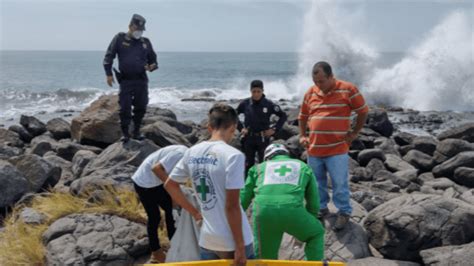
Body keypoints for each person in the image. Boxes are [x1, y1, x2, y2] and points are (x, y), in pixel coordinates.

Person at [165, 103, 254, 266]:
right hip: (232, 241)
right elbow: (232, 206)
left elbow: (170, 184)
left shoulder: (191, 152)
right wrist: (240, 246)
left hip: (207, 239)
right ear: (233, 128)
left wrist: (195, 213)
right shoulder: (234, 156)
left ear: (209, 127)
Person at [299, 61, 369, 231]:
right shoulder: (311, 92)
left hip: (337, 148)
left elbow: (363, 111)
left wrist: (354, 133)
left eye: (321, 81)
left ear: (331, 76)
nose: (318, 85)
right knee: (316, 184)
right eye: (315, 81)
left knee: (339, 183)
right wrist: (302, 135)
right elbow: (302, 116)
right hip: (314, 149)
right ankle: (320, 209)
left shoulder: (348, 89)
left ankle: (344, 212)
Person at [240, 143, 325, 260]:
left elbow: (243, 199)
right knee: (315, 233)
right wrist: (308, 222)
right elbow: (314, 201)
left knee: (265, 258)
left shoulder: (258, 168)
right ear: (287, 154)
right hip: (293, 212)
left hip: (264, 213)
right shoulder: (303, 166)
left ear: (267, 157)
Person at [103, 14, 158, 142]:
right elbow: (109, 56)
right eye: (136, 28)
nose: (139, 32)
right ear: (130, 26)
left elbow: (154, 61)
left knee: (141, 106)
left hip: (141, 79)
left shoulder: (146, 42)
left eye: (141, 30)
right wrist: (108, 73)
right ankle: (125, 133)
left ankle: (137, 132)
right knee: (125, 107)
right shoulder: (119, 39)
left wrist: (151, 67)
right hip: (126, 79)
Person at [131, 145, 188, 263]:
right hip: (144, 183)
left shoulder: (186, 156)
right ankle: (157, 252)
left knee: (170, 211)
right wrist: (172, 192)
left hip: (154, 181)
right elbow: (156, 168)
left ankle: (174, 247)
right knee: (157, 216)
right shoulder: (181, 154)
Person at [237, 80, 287, 173]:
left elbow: (283, 116)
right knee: (248, 165)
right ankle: (248, 186)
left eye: (258, 91)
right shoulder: (245, 103)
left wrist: (274, 129)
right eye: (254, 91)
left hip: (263, 138)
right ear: (250, 91)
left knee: (264, 164)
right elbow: (234, 115)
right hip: (249, 138)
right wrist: (241, 128)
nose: (256, 94)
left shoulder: (269, 104)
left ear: (262, 91)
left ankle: (261, 186)